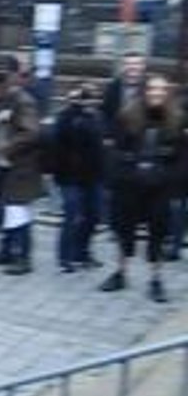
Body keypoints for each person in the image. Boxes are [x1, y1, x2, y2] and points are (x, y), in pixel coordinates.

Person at [100, 75, 182, 303]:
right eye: (152, 88)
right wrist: (124, 173)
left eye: (161, 89)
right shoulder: (128, 115)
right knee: (124, 230)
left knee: (158, 234)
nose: (157, 93)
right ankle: (121, 273)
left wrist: (169, 178)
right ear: (145, 91)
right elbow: (115, 150)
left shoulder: (177, 119)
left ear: (167, 93)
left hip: (160, 188)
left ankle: (156, 279)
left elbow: (181, 158)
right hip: (130, 186)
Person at [0, 73, 45, 275]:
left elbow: (31, 133)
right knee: (6, 210)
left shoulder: (23, 102)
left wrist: (6, 148)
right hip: (6, 166)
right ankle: (6, 249)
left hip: (21, 167)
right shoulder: (5, 101)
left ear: (0, 86)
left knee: (18, 212)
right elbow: (1, 127)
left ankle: (23, 257)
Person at [52, 84, 106, 273]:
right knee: (72, 214)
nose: (83, 101)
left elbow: (99, 144)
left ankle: (82, 252)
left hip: (93, 176)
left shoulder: (96, 117)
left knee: (94, 215)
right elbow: (59, 141)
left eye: (87, 97)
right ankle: (65, 257)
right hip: (69, 176)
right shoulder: (65, 117)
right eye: (77, 97)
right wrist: (74, 111)